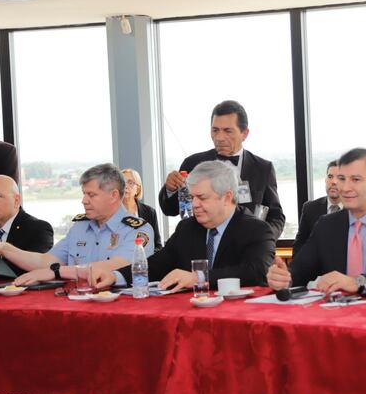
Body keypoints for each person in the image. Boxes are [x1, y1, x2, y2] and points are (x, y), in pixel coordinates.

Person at [267, 148, 366, 297]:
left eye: (355, 179)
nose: (344, 188)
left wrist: (358, 282)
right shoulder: (326, 225)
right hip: (334, 318)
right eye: (341, 179)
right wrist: (283, 278)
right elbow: (300, 270)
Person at [93, 160, 275, 291]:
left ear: (227, 197)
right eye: (192, 197)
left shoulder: (256, 230)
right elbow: (158, 264)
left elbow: (256, 272)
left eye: (202, 198)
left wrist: (198, 278)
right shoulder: (187, 228)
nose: (194, 204)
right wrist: (117, 276)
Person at [0, 163, 154, 285]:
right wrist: (4, 249)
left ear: (114, 195)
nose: (83, 200)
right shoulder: (79, 227)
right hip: (75, 306)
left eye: (91, 195)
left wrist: (57, 272)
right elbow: (45, 261)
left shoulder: (138, 230)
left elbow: (114, 266)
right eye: (84, 194)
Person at [157, 100, 285, 239]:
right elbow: (170, 209)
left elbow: (276, 216)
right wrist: (170, 189)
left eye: (227, 131)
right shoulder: (193, 163)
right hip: (201, 248)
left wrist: (262, 240)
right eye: (215, 130)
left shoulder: (262, 168)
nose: (219, 138)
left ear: (245, 133)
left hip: (246, 249)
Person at [293, 160, 342, 257]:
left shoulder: (356, 211)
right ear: (325, 180)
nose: (334, 182)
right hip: (315, 271)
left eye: (340, 178)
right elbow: (299, 247)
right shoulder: (310, 208)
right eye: (330, 177)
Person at [121, 168, 162, 252]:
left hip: (145, 262)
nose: (125, 186)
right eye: (122, 182)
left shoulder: (150, 212)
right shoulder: (110, 213)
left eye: (130, 182)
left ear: (138, 189)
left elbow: (157, 246)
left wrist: (145, 257)